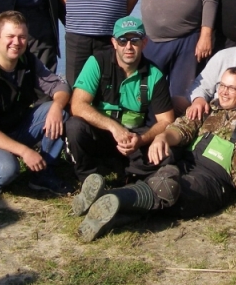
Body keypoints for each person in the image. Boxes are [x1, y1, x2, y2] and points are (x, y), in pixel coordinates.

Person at [73, 67, 236, 241]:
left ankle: (108, 198)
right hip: (187, 164)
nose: (224, 91)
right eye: (222, 86)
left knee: (167, 185)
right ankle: (113, 216)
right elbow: (182, 129)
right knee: (164, 182)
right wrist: (162, 138)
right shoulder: (209, 108)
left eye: (232, 88)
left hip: (216, 180)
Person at [0, 11, 72, 200]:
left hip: (15, 127)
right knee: (7, 169)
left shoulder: (26, 60)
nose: (17, 42)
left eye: (22, 37)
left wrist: (56, 106)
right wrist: (24, 151)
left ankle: (43, 173)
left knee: (62, 109)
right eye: (10, 36)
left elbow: (59, 85)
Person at [65, 16, 175, 186]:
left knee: (166, 153)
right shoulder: (97, 62)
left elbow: (166, 120)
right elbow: (77, 105)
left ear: (144, 43)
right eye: (122, 41)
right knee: (74, 127)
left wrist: (142, 139)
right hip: (101, 134)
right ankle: (88, 180)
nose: (128, 47)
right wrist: (113, 127)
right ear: (114, 43)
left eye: (135, 41)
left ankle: (126, 173)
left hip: (133, 138)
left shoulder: (155, 75)